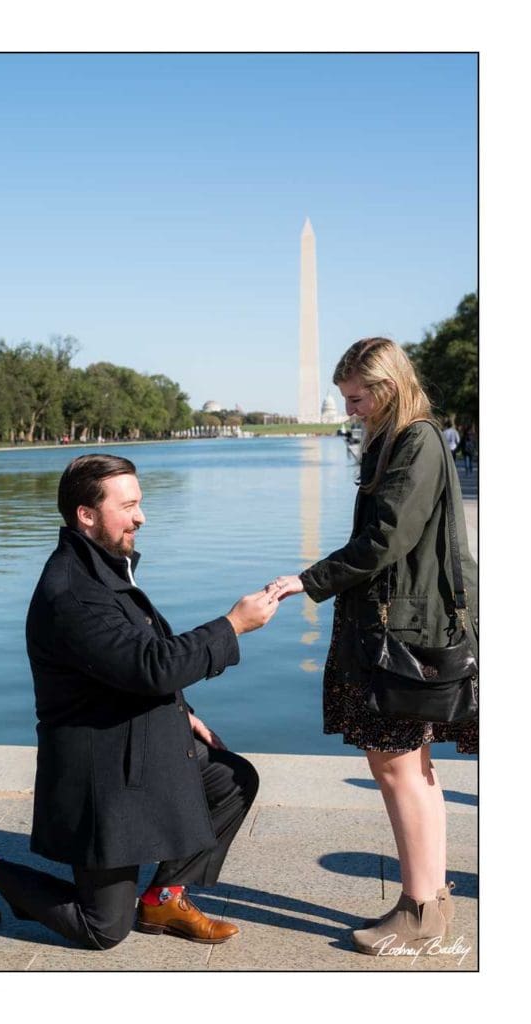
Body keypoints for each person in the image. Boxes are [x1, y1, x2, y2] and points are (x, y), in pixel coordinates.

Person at [0, 453, 279, 950]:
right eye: (129, 506)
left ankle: (164, 896)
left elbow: (127, 662)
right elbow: (152, 666)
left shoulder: (101, 568)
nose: (141, 516)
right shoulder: (72, 593)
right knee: (104, 930)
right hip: (101, 777)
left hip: (135, 743)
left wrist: (182, 712)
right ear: (87, 514)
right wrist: (232, 625)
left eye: (139, 504)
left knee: (231, 779)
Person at [269, 337, 478, 956]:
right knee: (410, 765)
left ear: (386, 386)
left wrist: (307, 581)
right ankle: (427, 901)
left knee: (396, 767)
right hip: (401, 623)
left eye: (357, 398)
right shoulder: (403, 437)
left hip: (402, 632)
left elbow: (386, 536)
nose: (352, 410)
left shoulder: (415, 439)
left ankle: (419, 910)